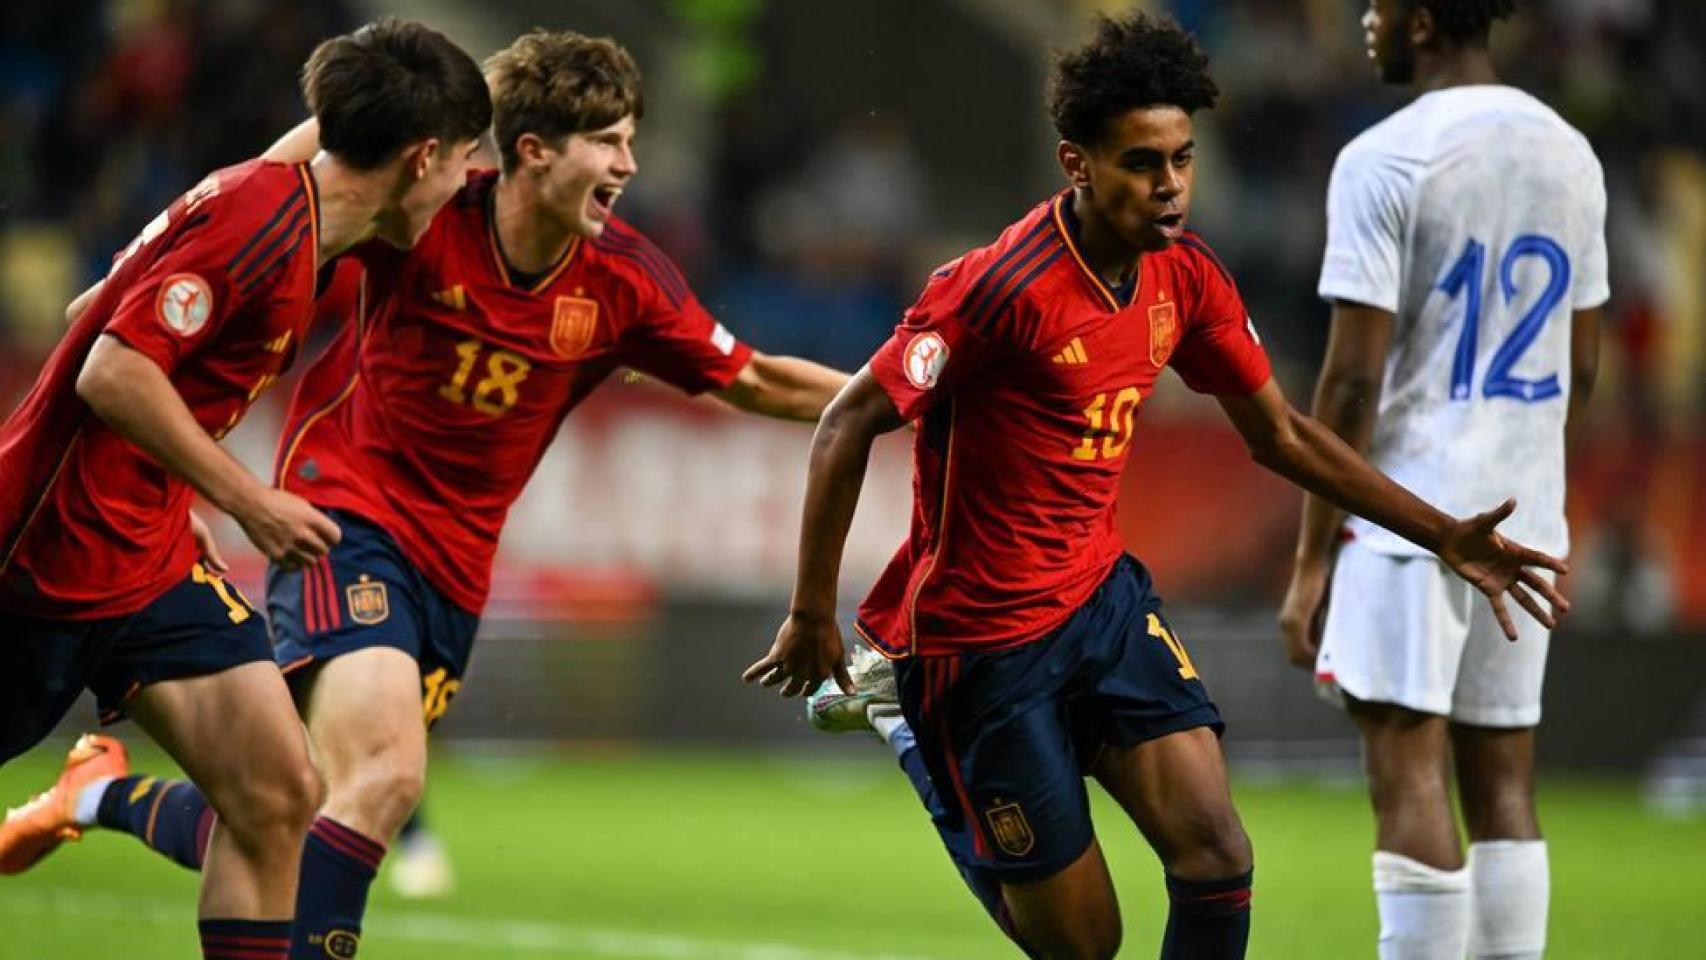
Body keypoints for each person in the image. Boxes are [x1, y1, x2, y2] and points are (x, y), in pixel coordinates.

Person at [1, 30, 847, 959]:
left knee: (293, 801)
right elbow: (299, 177)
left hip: (444, 565)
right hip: (341, 516)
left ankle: (98, 795)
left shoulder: (622, 283)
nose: (629, 163)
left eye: (630, 140)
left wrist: (899, 399)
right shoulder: (409, 214)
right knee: (385, 779)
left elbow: (757, 379)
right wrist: (236, 480)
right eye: (608, 140)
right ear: (527, 152)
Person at [746, 11, 1569, 960]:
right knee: (1087, 945)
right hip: (979, 645)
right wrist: (813, 610)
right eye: (1143, 162)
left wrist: (1443, 535)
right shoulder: (997, 288)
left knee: (1218, 857)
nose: (1171, 184)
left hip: (1099, 604)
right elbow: (849, 419)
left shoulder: (1185, 275)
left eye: (1182, 158)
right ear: (1077, 164)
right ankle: (910, 726)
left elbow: (1284, 435)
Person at [0, 18, 488, 960]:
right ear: (423, 156)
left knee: (277, 796)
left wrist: (175, 500)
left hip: (143, 558)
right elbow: (111, 370)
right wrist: (247, 501)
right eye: (466, 160)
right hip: (42, 558)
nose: (469, 184)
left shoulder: (291, 211)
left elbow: (84, 311)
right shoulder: (260, 226)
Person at [1276, 2, 1605, 958]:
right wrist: (1527, 479)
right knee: (1504, 782)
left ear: (1421, 21)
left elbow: (1349, 378)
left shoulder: (1385, 156)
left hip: (1410, 517)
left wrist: (1311, 560)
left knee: (1409, 774)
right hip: (1525, 523)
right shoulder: (1572, 155)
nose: (1365, 24)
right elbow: (1580, 371)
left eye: (1376, 8)